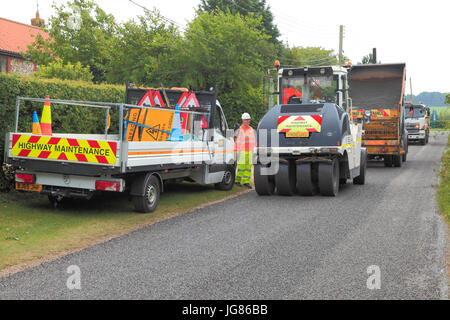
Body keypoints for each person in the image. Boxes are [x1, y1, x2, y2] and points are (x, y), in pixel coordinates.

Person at [235, 112, 256, 189]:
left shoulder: (251, 129)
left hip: (250, 151)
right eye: (246, 120)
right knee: (241, 166)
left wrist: (254, 151)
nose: (248, 121)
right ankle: (237, 180)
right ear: (243, 120)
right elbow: (237, 141)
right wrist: (237, 151)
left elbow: (253, 141)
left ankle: (246, 181)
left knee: (248, 167)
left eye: (248, 120)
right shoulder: (239, 130)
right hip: (242, 151)